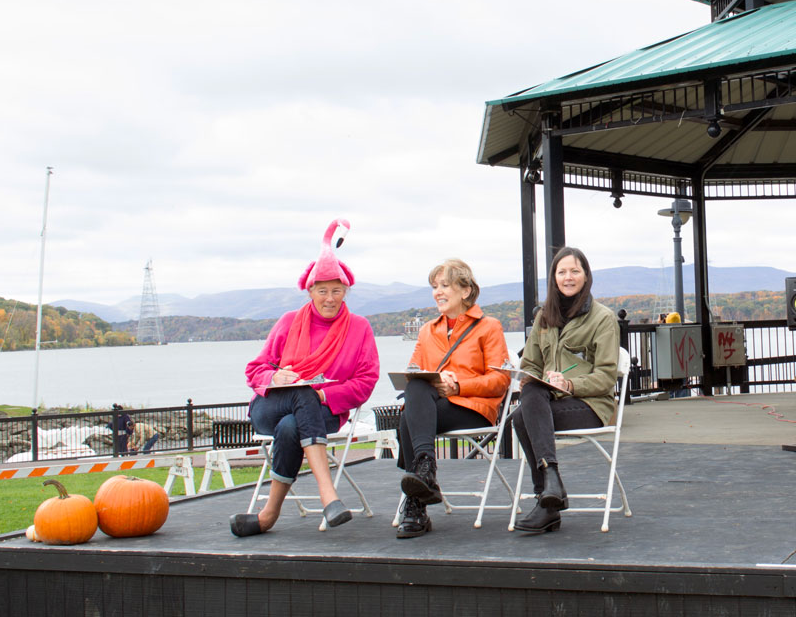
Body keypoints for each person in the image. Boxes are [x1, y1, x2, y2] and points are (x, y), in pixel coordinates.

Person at [229, 219, 379, 537]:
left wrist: (326, 396)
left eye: (336, 290)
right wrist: (276, 375)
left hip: (324, 412)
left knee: (292, 425)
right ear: (310, 290)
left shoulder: (360, 328)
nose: (329, 298)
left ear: (346, 291)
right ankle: (329, 494)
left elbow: (367, 380)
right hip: (270, 406)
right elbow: (255, 370)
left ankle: (267, 516)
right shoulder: (288, 321)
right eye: (322, 290)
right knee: (301, 395)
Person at [396, 259, 510, 539]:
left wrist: (459, 385)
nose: (438, 292)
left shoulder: (489, 327)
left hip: (473, 408)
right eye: (434, 287)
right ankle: (425, 470)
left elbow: (501, 381)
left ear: (466, 290)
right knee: (415, 388)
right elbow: (413, 374)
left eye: (445, 285)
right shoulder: (427, 331)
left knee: (407, 420)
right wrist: (432, 380)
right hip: (434, 407)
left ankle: (416, 502)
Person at [511, 247, 619, 535]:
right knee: (529, 396)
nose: (568, 277)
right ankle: (551, 486)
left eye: (575, 271)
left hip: (591, 406)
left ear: (586, 276)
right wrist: (530, 377)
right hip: (547, 403)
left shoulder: (603, 318)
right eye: (562, 272)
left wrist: (570, 384)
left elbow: (607, 378)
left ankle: (547, 498)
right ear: (553, 278)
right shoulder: (544, 318)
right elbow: (531, 363)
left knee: (523, 417)